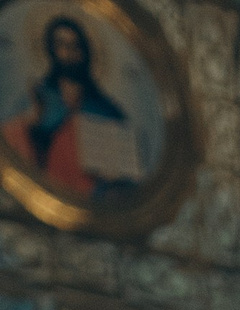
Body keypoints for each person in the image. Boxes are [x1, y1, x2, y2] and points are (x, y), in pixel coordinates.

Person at [2, 17, 138, 200]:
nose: (69, 52)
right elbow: (11, 138)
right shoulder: (40, 95)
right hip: (44, 190)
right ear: (51, 49)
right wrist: (32, 121)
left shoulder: (104, 107)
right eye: (62, 44)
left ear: (85, 51)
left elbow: (124, 166)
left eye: (75, 46)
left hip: (91, 197)